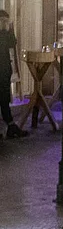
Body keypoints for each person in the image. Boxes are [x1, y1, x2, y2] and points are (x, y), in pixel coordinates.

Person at [0, 8, 22, 137]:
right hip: (2, 70)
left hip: (4, 70)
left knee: (4, 99)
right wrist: (10, 30)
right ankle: (10, 125)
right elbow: (12, 43)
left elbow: (13, 43)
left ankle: (10, 125)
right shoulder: (4, 34)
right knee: (3, 98)